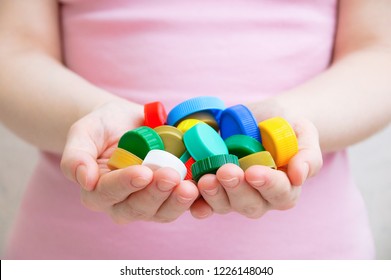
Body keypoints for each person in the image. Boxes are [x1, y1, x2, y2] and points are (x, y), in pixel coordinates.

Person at [0, 0, 390, 259]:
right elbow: (13, 53)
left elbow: (379, 54)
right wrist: (92, 118)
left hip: (309, 250)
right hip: (74, 250)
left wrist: (290, 119)